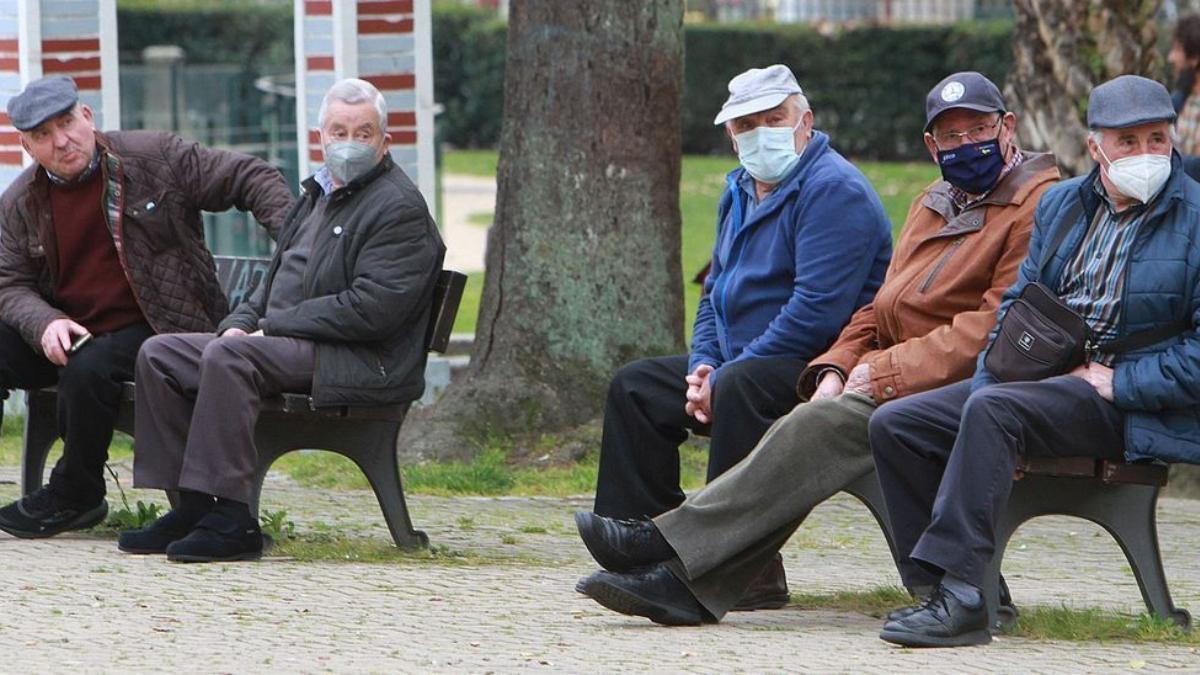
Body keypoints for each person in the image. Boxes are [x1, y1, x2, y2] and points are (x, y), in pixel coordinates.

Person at [573, 72, 1060, 627]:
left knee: (796, 418)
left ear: (1008, 126)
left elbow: (993, 327)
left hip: (953, 382)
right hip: (878, 371)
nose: (966, 144)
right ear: (931, 144)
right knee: (649, 386)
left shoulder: (1034, 206)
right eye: (951, 135)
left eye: (979, 128)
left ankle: (667, 549)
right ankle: (673, 565)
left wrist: (877, 369)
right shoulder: (936, 199)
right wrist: (836, 366)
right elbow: (878, 306)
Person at [869, 74, 1200, 648]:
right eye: (1127, 141)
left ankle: (963, 602)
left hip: (1131, 403)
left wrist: (1120, 382)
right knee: (899, 423)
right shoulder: (1065, 206)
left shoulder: (1195, 218)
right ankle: (945, 588)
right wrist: (983, 382)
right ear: (1096, 146)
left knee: (995, 411)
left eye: (1156, 139)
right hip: (1045, 385)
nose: (1145, 154)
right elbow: (1017, 309)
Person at [593, 64, 892, 608]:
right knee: (636, 388)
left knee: (743, 388)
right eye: (745, 124)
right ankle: (644, 547)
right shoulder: (737, 190)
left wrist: (725, 376)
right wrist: (703, 365)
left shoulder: (835, 190)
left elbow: (816, 314)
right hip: (740, 360)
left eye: (773, 119)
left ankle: (730, 567)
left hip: (819, 367)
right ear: (729, 134)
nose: (759, 134)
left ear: (805, 122)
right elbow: (714, 292)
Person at [117, 78, 445, 563]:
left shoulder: (398, 208)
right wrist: (240, 320)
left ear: (384, 141)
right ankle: (190, 506)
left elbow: (372, 310)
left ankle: (233, 521)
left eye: (363, 132)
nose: (349, 143)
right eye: (339, 131)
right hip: (298, 343)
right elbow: (272, 283)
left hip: (359, 358)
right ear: (321, 137)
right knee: (160, 354)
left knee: (232, 357)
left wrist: (273, 326)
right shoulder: (316, 196)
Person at [0, 75, 293, 538]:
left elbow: (249, 176)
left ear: (88, 118)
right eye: (43, 135)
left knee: (89, 367)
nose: (62, 141)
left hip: (160, 325)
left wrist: (298, 250)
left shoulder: (154, 158)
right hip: (70, 331)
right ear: (26, 146)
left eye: (67, 123)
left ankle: (77, 494)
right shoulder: (20, 202)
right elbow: (9, 284)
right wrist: (45, 322)